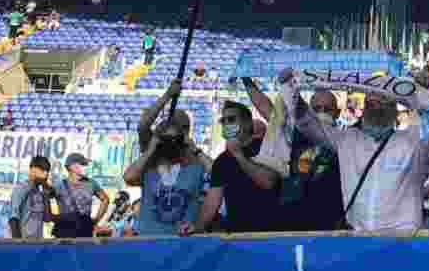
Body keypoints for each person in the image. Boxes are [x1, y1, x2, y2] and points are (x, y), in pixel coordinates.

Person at [278, 70, 429, 232]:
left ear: (395, 109)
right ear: (363, 109)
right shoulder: (347, 139)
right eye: (371, 103)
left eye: (384, 102)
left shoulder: (418, 141)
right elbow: (306, 122)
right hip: (359, 241)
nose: (376, 106)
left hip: (403, 243)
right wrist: (289, 87)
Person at [243, 78, 345, 231]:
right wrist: (246, 79)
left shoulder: (346, 140)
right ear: (309, 111)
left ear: (337, 113)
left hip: (329, 221)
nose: (321, 112)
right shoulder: (293, 132)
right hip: (292, 219)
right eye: (316, 108)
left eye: (327, 109)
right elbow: (266, 107)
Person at [188, 101, 281, 234]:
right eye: (223, 121)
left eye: (231, 119)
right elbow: (211, 203)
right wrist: (196, 226)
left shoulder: (266, 148)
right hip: (237, 237)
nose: (226, 124)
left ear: (247, 123)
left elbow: (269, 182)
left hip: (271, 234)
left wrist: (238, 155)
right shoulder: (222, 161)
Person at [123, 119, 207, 236]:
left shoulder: (195, 169)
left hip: (181, 240)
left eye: (175, 139)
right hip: (147, 238)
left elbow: (218, 175)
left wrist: (194, 148)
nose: (170, 144)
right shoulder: (149, 169)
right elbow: (128, 177)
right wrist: (150, 149)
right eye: (165, 139)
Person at [50, 153, 110, 238]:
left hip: (84, 230)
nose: (86, 167)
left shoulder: (91, 183)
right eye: (83, 164)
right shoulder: (59, 185)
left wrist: (96, 219)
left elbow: (105, 199)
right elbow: (45, 197)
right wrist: (52, 217)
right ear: (72, 167)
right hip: (64, 231)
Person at [9, 156, 56, 239]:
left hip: (37, 242)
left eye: (47, 171)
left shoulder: (41, 192)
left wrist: (46, 197)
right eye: (42, 170)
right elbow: (13, 218)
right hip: (23, 240)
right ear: (32, 170)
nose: (45, 174)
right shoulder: (21, 188)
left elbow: (47, 219)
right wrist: (17, 242)